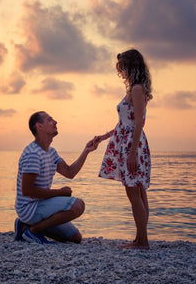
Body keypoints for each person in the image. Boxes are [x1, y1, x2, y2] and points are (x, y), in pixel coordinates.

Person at [94, 49, 153, 250]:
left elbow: (138, 124)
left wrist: (132, 152)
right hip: (128, 142)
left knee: (134, 193)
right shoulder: (134, 89)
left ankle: (142, 241)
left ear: (131, 66)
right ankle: (139, 238)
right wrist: (104, 137)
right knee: (138, 192)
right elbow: (123, 123)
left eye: (122, 68)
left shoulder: (137, 90)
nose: (121, 73)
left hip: (132, 144)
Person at [14, 111, 98, 244]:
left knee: (75, 238)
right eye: (49, 120)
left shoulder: (51, 152)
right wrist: (60, 192)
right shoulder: (33, 154)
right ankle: (33, 231)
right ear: (39, 126)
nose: (55, 122)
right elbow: (27, 191)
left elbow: (70, 172)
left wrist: (86, 151)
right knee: (78, 205)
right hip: (28, 208)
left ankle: (24, 226)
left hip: (39, 205)